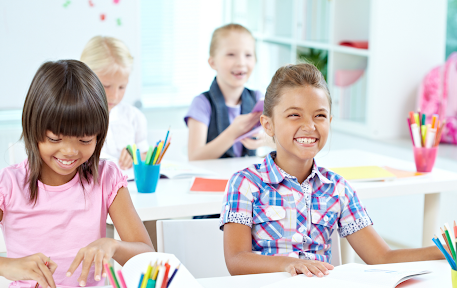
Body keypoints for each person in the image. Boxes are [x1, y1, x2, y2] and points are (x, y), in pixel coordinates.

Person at [220, 63, 447, 277]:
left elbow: (381, 257)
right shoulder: (245, 183)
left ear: (330, 120)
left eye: (319, 115)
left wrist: (443, 251)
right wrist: (288, 264)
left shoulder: (337, 188)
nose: (310, 126)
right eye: (294, 115)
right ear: (268, 124)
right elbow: (237, 261)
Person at [0, 60, 154, 287]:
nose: (70, 151)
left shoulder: (106, 178)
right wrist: (6, 266)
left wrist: (114, 246)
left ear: (99, 135)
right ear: (33, 127)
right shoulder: (9, 184)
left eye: (84, 140)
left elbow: (147, 256)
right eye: (55, 139)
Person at [185, 24, 272, 161]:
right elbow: (195, 157)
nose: (241, 62)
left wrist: (265, 140)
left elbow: (280, 140)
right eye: (231, 54)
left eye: (248, 55)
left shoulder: (258, 98)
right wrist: (232, 133)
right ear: (212, 62)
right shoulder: (202, 103)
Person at [81, 36, 148, 170]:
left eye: (122, 87)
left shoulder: (133, 116)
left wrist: (134, 155)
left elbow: (145, 154)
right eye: (106, 86)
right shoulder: (74, 116)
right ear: (84, 78)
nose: (115, 96)